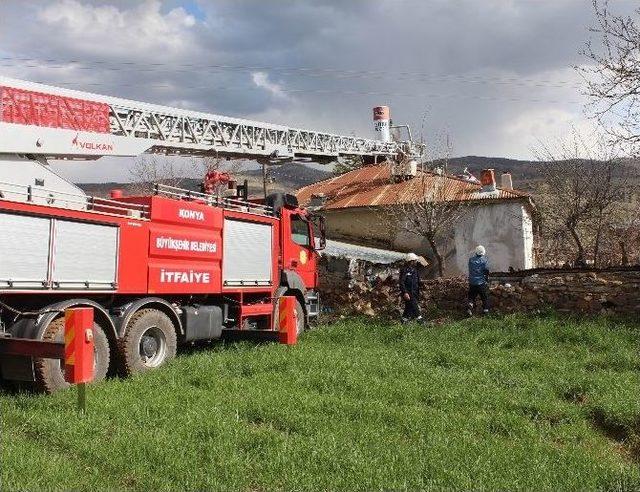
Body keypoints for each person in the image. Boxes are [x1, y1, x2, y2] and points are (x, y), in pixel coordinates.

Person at [399, 253, 423, 323]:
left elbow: (419, 281)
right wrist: (405, 292)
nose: (416, 262)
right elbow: (401, 282)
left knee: (408, 308)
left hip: (415, 292)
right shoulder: (404, 270)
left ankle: (403, 320)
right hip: (408, 292)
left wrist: (423, 286)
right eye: (415, 260)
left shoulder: (415, 271)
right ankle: (420, 320)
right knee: (414, 305)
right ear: (411, 261)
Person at [467, 245, 490, 316]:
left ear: (476, 252)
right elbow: (486, 271)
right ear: (483, 252)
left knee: (471, 296)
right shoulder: (484, 260)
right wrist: (486, 279)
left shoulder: (471, 260)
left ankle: (470, 306)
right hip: (481, 282)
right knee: (484, 297)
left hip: (472, 282)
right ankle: (486, 311)